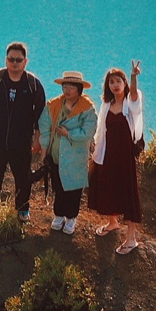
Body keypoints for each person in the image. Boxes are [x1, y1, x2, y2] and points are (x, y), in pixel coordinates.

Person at [0, 41, 46, 219]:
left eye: (18, 60)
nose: (14, 63)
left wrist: (37, 139)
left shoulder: (33, 84)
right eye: (11, 59)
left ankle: (22, 211)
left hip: (21, 142)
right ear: (6, 60)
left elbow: (40, 114)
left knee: (23, 177)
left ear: (25, 62)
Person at [87, 60, 146, 254]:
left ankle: (131, 238)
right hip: (108, 152)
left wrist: (134, 77)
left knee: (128, 192)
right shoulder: (106, 103)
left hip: (125, 155)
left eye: (118, 81)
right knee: (108, 186)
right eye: (111, 82)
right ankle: (113, 223)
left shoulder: (130, 102)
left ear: (124, 83)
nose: (115, 85)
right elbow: (100, 129)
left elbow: (136, 98)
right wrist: (96, 150)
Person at [37, 71, 97, 234]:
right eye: (65, 86)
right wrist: (44, 150)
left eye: (71, 86)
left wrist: (69, 134)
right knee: (58, 184)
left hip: (76, 157)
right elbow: (45, 128)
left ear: (79, 89)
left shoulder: (87, 109)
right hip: (56, 155)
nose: (67, 90)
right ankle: (59, 214)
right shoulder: (53, 105)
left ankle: (71, 217)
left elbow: (88, 132)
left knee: (74, 188)